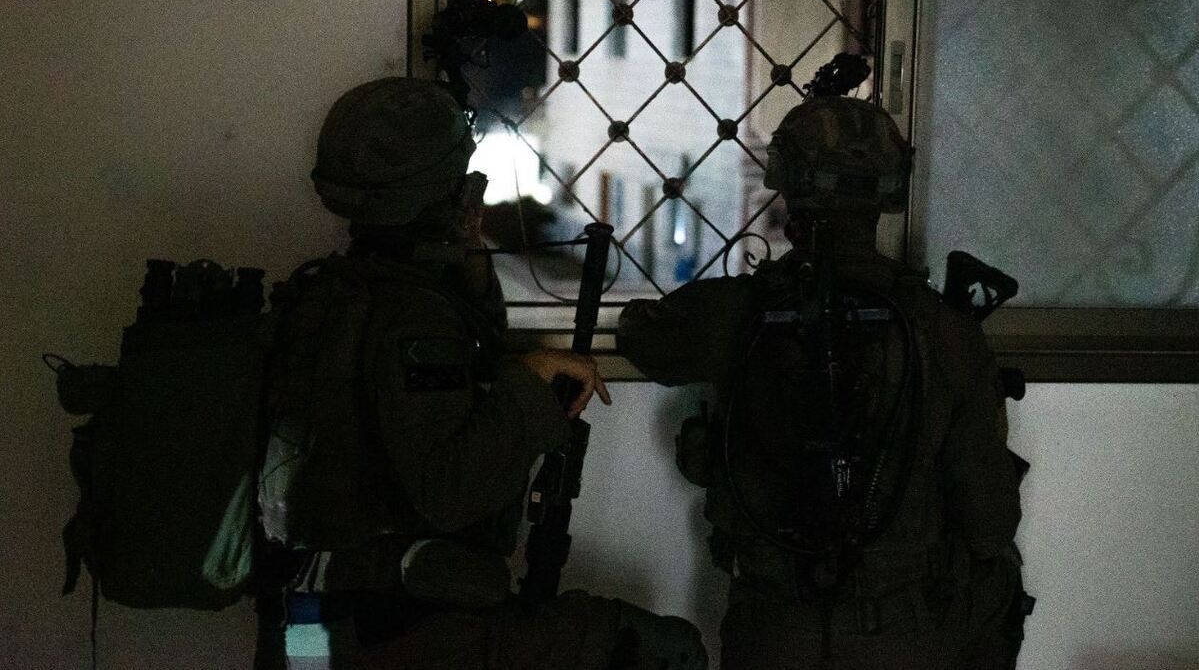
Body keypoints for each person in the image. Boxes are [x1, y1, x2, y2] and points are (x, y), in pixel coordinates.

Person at [265, 76, 706, 670]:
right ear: (438, 191)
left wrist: (468, 251)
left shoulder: (349, 289)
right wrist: (529, 384)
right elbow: (450, 491)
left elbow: (459, 359)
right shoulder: (412, 320)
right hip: (386, 631)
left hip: (318, 625)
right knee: (666, 653)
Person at [618, 93, 1023, 669]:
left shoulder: (743, 310)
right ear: (888, 192)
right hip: (903, 636)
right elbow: (989, 524)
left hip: (773, 631)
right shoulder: (945, 330)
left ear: (787, 183)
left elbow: (643, 338)